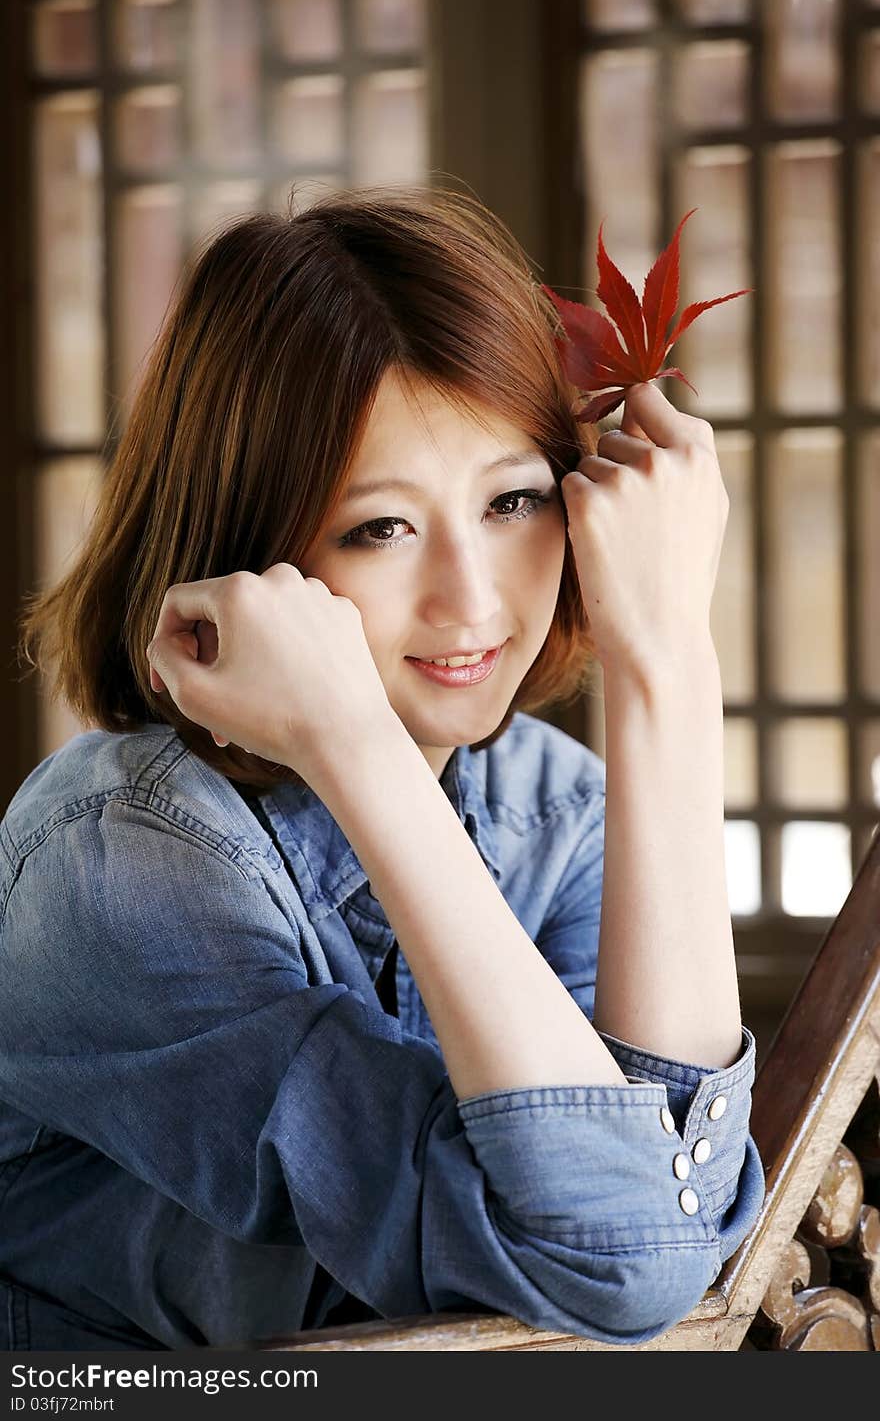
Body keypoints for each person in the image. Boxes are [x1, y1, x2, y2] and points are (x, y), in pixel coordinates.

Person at [0, 185, 764, 1351]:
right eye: (380, 529)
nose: (470, 598)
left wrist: (667, 664)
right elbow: (617, 1262)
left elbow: (663, 1217)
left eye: (512, 500)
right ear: (254, 552)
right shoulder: (117, 866)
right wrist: (356, 743)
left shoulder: (546, 811)